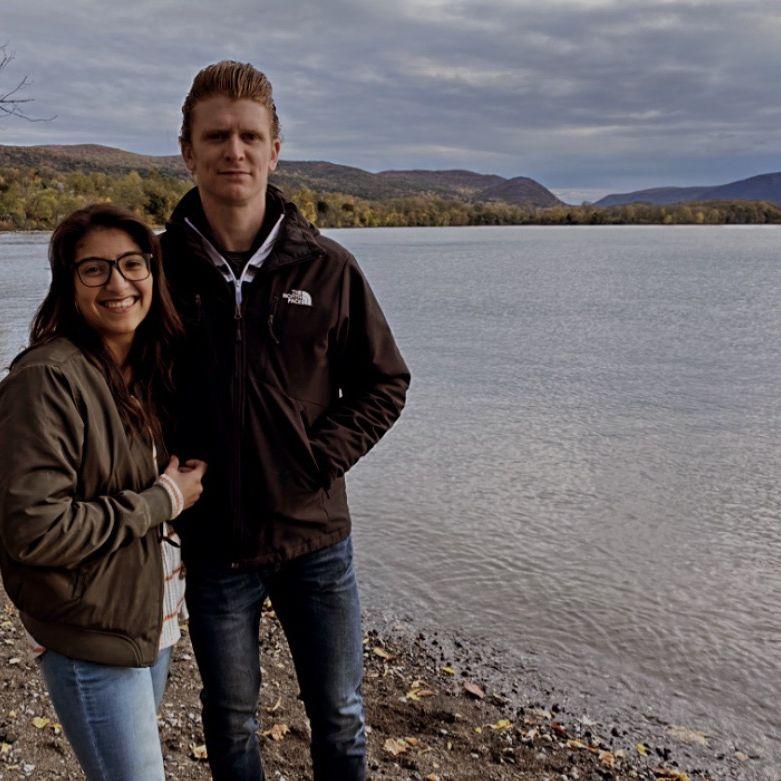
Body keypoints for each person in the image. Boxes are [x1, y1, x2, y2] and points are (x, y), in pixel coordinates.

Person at [161, 61, 410, 780]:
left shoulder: (328, 268)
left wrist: (318, 456)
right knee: (230, 717)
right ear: (187, 151)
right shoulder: (157, 270)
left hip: (314, 538)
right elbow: (119, 382)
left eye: (249, 136)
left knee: (340, 715)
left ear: (274, 150)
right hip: (213, 541)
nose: (233, 151)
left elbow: (385, 381)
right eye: (216, 136)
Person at [0, 204, 207, 780]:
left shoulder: (146, 371)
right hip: (88, 631)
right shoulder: (46, 379)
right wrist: (164, 500)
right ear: (68, 286)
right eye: (94, 269)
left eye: (132, 264)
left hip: (148, 619)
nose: (118, 284)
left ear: (153, 273)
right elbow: (34, 530)